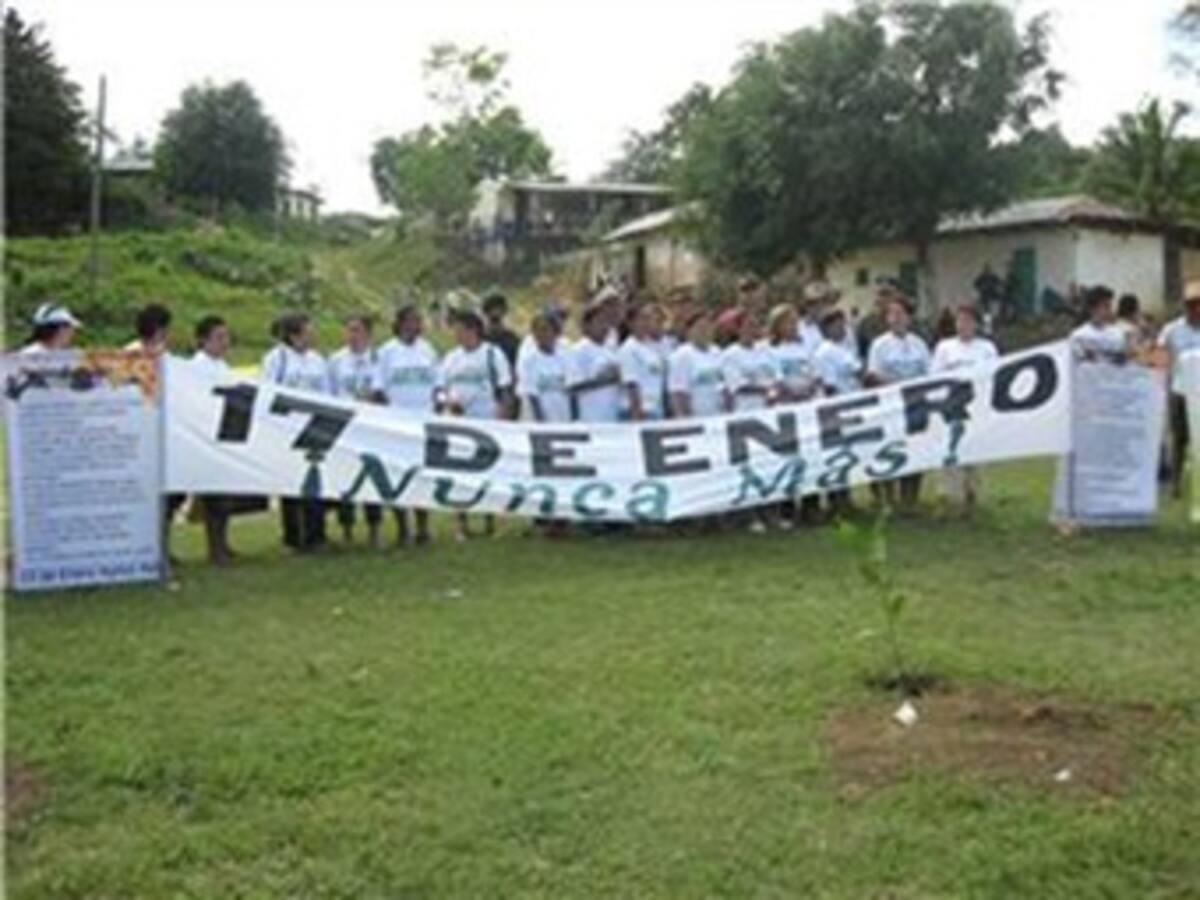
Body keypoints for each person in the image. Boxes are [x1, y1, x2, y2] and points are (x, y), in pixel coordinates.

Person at [438, 309, 514, 541]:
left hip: (487, 422)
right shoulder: (451, 358)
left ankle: (490, 520)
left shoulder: (492, 354)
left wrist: (502, 417)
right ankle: (461, 524)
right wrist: (449, 403)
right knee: (459, 474)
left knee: (489, 473)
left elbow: (504, 388)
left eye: (460, 329)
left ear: (474, 330)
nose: (456, 334)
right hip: (459, 423)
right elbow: (440, 389)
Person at [187, 315, 257, 565]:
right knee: (213, 497)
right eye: (218, 337)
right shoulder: (197, 367)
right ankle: (214, 548)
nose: (224, 342)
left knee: (224, 497)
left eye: (226, 337)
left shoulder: (223, 367)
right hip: (206, 438)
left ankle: (222, 543)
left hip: (224, 436)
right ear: (203, 340)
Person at [261, 313, 331, 552]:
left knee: (315, 482)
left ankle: (316, 534)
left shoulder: (318, 360)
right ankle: (292, 537)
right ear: (294, 335)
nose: (312, 335)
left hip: (314, 428)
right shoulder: (276, 358)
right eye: (308, 330)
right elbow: (268, 392)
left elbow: (327, 394)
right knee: (290, 485)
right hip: (287, 430)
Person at [376, 305, 440, 546]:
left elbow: (438, 384)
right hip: (397, 426)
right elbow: (379, 388)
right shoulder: (386, 352)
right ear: (401, 324)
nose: (418, 325)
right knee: (399, 476)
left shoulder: (428, 349)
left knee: (422, 476)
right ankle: (403, 526)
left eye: (419, 321)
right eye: (413, 321)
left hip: (423, 422)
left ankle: (423, 526)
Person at [931, 305, 999, 516]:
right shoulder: (945, 347)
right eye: (960, 320)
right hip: (953, 406)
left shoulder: (987, 348)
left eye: (968, 320)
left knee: (975, 449)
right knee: (951, 449)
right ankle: (949, 495)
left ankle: (972, 494)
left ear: (976, 324)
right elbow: (935, 377)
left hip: (977, 406)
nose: (964, 325)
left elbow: (995, 374)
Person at [867, 298, 932, 513]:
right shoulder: (880, 344)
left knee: (914, 450)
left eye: (900, 313)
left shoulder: (919, 343)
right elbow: (873, 374)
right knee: (889, 451)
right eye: (891, 314)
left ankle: (910, 498)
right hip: (889, 407)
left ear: (909, 317)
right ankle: (887, 498)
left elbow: (929, 373)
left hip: (914, 406)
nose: (896, 318)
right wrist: (897, 386)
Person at [328, 315, 384, 548]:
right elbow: (330, 392)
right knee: (345, 477)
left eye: (357, 330)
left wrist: (369, 398)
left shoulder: (377, 358)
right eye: (349, 330)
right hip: (345, 427)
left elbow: (381, 390)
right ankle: (347, 528)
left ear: (368, 334)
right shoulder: (336, 360)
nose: (352, 335)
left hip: (370, 426)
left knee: (372, 477)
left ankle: (374, 528)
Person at [768, 303, 823, 525]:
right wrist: (790, 391)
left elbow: (816, 373)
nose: (792, 326)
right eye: (787, 322)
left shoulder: (806, 348)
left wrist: (809, 389)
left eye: (794, 321)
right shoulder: (771, 349)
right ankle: (786, 508)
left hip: (807, 409)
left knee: (810, 456)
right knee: (787, 458)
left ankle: (811, 506)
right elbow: (774, 377)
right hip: (784, 410)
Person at [814, 308, 863, 516]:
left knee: (847, 455)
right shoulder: (824, 352)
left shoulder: (844, 349)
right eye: (837, 324)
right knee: (835, 456)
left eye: (844, 324)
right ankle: (835, 501)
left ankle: (845, 498)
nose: (843, 328)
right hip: (836, 410)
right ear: (827, 328)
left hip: (851, 406)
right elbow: (829, 386)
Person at [1158, 283, 1200, 499]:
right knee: (1179, 438)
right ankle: (1175, 484)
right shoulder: (1172, 330)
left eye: (1198, 304)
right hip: (1180, 391)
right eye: (1191, 304)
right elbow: (1158, 355)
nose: (1195, 308)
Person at [567, 303, 623, 424]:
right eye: (599, 322)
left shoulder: (610, 350)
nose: (604, 326)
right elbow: (572, 386)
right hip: (590, 419)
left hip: (613, 417)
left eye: (607, 322)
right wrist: (603, 380)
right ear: (587, 325)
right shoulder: (579, 349)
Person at [667, 310, 725, 418]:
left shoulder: (717, 351)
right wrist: (683, 419)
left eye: (708, 327)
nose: (705, 331)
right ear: (690, 331)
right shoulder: (682, 355)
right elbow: (677, 392)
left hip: (717, 416)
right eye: (700, 328)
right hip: (695, 416)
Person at [721, 310, 779, 414]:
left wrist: (775, 389)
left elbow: (776, 375)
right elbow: (738, 386)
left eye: (755, 326)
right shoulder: (730, 355)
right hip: (746, 412)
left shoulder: (766, 350)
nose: (752, 329)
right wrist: (766, 390)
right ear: (738, 329)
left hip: (771, 409)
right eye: (749, 325)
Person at [618, 304, 667, 421]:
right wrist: (637, 418)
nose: (646, 323)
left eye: (648, 319)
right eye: (642, 319)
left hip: (655, 410)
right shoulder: (628, 349)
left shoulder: (651, 347)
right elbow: (632, 385)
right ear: (630, 323)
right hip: (640, 412)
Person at [1070, 285, 1130, 363]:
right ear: (1092, 309)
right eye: (1106, 307)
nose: (1109, 311)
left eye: (1110, 306)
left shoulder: (1117, 334)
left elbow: (1123, 361)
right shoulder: (1079, 337)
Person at [482, 291, 521, 369]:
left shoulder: (512, 340)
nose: (495, 325)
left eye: (497, 320)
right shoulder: (478, 340)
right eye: (493, 320)